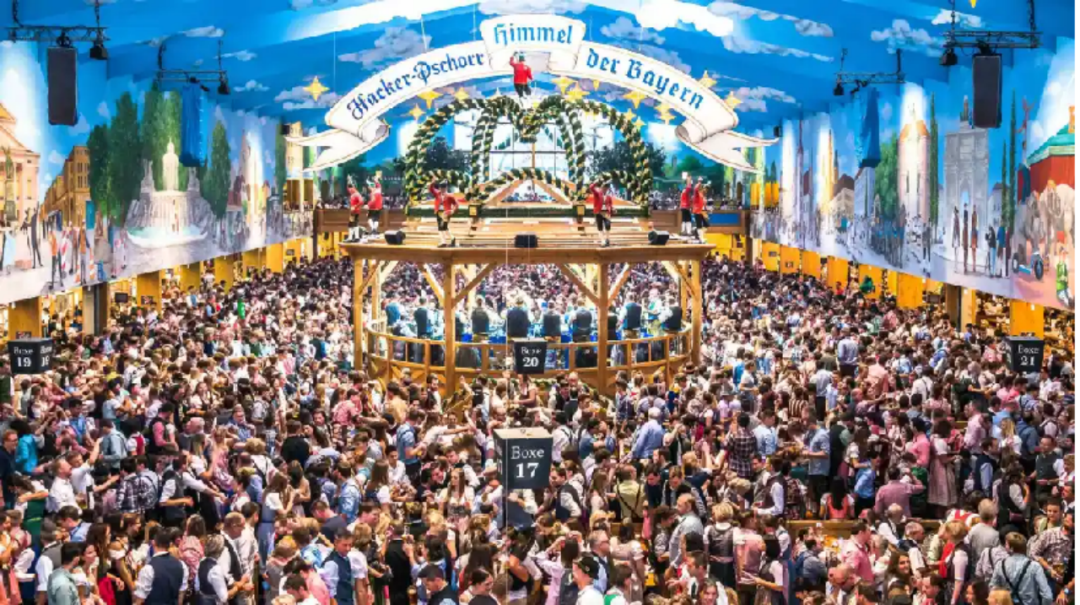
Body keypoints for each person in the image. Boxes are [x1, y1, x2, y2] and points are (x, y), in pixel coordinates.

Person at [431, 180, 457, 248]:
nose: (442, 189)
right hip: (438, 212)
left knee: (442, 227)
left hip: (446, 213)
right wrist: (432, 182)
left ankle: (444, 242)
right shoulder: (437, 194)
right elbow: (431, 189)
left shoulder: (450, 195)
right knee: (443, 227)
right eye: (441, 188)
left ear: (446, 188)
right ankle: (452, 239)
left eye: (443, 188)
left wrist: (453, 210)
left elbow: (456, 204)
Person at [591, 181, 615, 249]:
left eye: (606, 188)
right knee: (600, 227)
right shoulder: (597, 193)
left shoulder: (608, 196)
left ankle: (607, 239)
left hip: (606, 212)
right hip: (599, 212)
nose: (605, 189)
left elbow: (610, 204)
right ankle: (603, 241)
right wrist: (595, 182)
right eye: (604, 187)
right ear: (602, 187)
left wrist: (612, 208)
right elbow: (591, 188)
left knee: (608, 225)